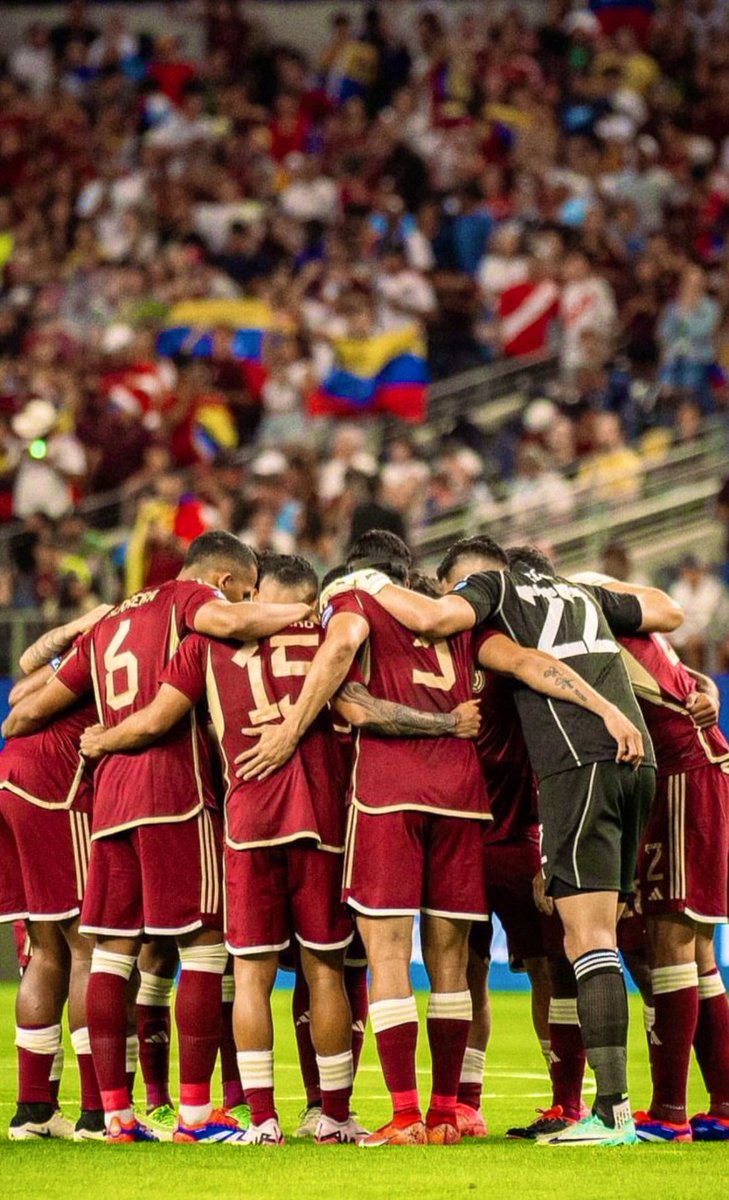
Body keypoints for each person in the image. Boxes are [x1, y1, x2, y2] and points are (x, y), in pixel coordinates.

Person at [318, 537, 683, 1146]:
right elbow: (660, 618)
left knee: (558, 956)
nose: (472, 596)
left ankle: (586, 1107)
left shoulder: (476, 613)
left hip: (517, 808)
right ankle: (463, 1104)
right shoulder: (543, 609)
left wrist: (364, 584)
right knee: (492, 963)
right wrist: (650, 689)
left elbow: (432, 634)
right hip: (493, 803)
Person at [2, 531, 312, 1144]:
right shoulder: (189, 601)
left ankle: (110, 1114)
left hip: (103, 796)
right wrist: (307, 613)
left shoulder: (117, 616)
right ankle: (194, 1117)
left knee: (100, 951)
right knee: (204, 944)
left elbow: (22, 705)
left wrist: (78, 725)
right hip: (166, 786)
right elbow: (227, 632)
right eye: (244, 593)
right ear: (223, 584)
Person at [574, 569, 729, 1142]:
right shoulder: (616, 616)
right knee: (697, 951)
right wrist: (708, 691)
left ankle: (669, 1113)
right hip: (684, 770)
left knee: (673, 938)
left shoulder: (583, 612)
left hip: (686, 771)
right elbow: (693, 678)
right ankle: (723, 1104)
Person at [0, 605, 110, 1140]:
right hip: (56, 785)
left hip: (13, 778)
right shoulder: (126, 642)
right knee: (89, 946)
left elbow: (22, 686)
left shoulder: (95, 642)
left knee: (46, 949)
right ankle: (96, 1113)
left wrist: (73, 629)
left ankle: (34, 1111)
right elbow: (15, 712)